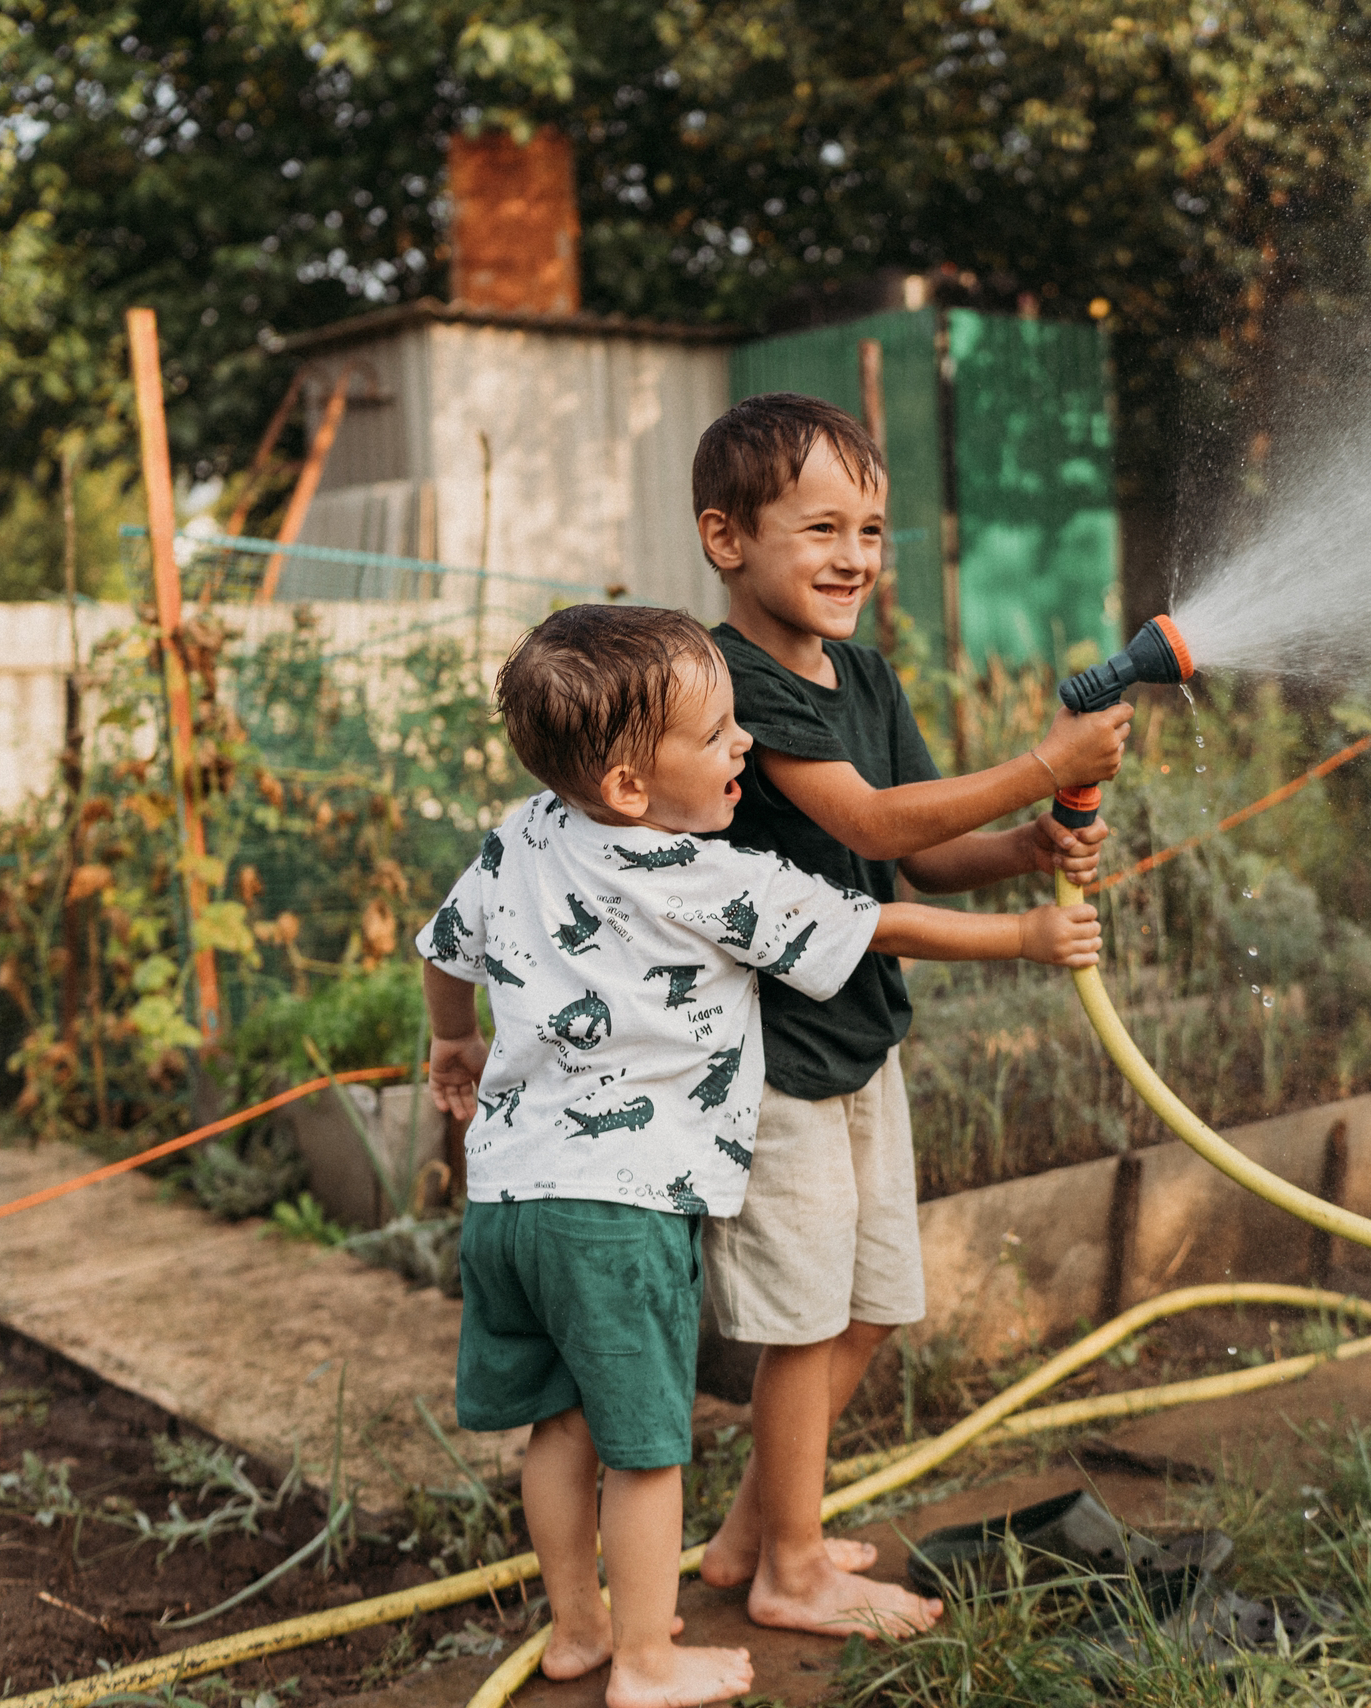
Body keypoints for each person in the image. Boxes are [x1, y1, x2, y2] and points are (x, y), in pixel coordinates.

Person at [419, 604, 1102, 1704]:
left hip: (507, 1200)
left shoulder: (521, 834)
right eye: (720, 735)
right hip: (621, 1211)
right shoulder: (704, 876)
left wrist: (453, 1040)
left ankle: (581, 1628)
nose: (745, 746)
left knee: (561, 1425)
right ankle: (646, 1660)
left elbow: (443, 949)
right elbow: (878, 924)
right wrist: (1023, 936)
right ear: (636, 786)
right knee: (646, 1446)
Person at [687, 393, 1133, 1638]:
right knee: (804, 1319)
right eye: (820, 527)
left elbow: (922, 857)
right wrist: (1043, 762)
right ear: (727, 539)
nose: (853, 558)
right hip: (770, 1059)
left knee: (875, 1300)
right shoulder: (733, 685)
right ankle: (788, 1570)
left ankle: (748, 1537)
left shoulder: (866, 675)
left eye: (871, 531)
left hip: (858, 1038)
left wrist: (1025, 841)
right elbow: (869, 826)